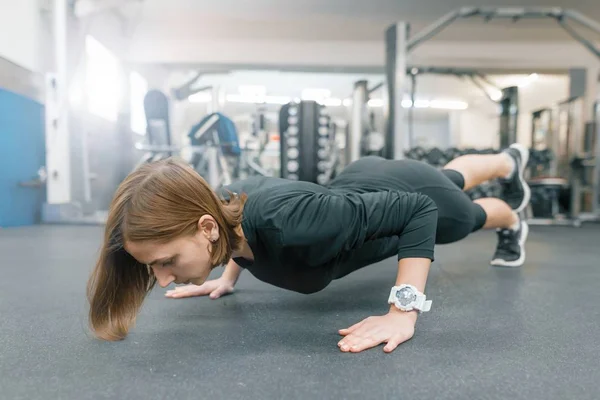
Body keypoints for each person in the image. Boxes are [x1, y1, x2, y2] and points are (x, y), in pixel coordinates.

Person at [87, 143, 530, 354]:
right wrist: (222, 274)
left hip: (405, 192)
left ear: (206, 228)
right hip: (360, 185)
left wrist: (402, 310)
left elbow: (416, 211)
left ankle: (512, 212)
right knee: (449, 178)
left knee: (463, 215)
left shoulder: (295, 226)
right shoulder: (217, 212)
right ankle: (507, 160)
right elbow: (235, 222)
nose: (163, 278)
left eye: (166, 262)